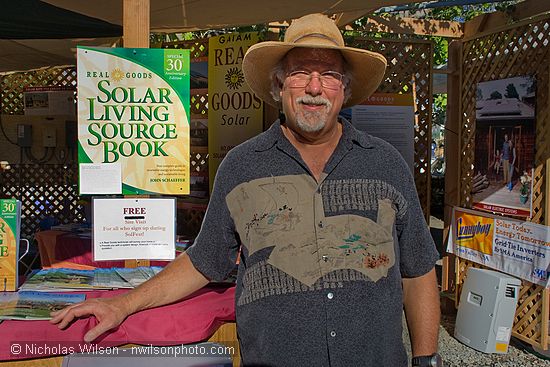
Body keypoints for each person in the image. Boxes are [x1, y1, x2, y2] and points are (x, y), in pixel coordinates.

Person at [51, 13, 441, 367]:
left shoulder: (385, 163)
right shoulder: (242, 165)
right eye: (301, 72)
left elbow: (418, 271)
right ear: (279, 85)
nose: (315, 87)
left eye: (330, 75)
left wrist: (427, 361)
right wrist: (123, 304)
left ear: (345, 88)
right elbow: (205, 260)